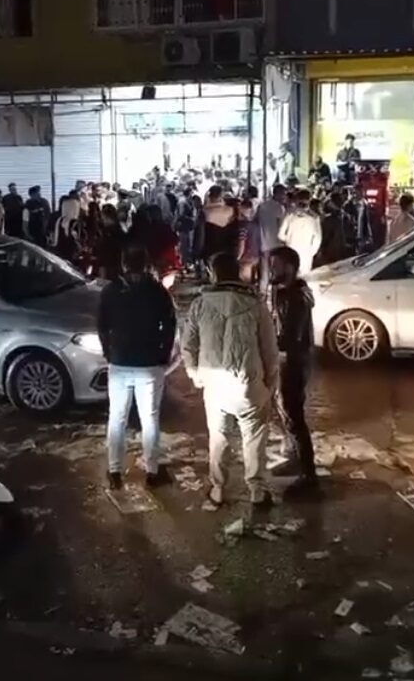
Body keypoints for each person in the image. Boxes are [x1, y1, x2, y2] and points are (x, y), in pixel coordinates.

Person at [182, 252, 279, 507]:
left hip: (215, 386)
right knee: (254, 439)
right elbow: (270, 351)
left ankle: (218, 490)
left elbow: (188, 345)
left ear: (213, 273)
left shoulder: (200, 305)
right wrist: (269, 385)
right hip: (249, 386)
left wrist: (195, 374)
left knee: (219, 437)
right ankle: (257, 491)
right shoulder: (256, 306)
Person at [98, 244, 177, 490]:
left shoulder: (111, 291)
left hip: (119, 363)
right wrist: (163, 353)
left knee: (117, 418)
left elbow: (102, 325)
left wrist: (108, 352)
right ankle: (152, 471)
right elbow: (170, 324)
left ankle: (114, 471)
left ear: (123, 264)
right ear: (146, 265)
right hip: (150, 364)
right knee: (149, 419)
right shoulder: (157, 290)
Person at [270, 246, 318, 496]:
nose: (272, 270)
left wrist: (271, 345)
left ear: (289, 267)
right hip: (291, 359)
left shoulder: (295, 297)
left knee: (293, 415)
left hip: (293, 361)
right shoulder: (287, 292)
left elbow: (291, 334)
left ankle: (309, 475)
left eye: (276, 265)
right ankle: (297, 459)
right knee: (286, 411)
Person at [278, 188, 322, 276]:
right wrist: (311, 252)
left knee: (290, 277)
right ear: (309, 201)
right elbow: (317, 240)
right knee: (304, 278)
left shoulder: (289, 216)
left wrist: (289, 239)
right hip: (306, 253)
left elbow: (280, 235)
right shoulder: (314, 218)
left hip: (291, 251)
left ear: (297, 200)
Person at [257, 184, 287, 295]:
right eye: (283, 194)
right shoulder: (280, 208)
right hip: (276, 244)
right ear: (278, 194)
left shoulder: (262, 206)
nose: (284, 197)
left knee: (264, 273)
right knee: (276, 273)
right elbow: (281, 227)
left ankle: (262, 294)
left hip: (263, 243)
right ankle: (274, 297)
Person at [316, 191, 352, 265]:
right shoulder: (344, 216)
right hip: (342, 250)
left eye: (330, 201)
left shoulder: (330, 219)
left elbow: (325, 237)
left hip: (331, 252)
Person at [203, 185, 237, 260]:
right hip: (227, 247)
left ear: (210, 196)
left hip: (209, 247)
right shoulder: (230, 210)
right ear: (221, 195)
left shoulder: (204, 212)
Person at [95, 203, 125, 281]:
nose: (102, 220)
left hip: (109, 270)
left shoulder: (108, 234)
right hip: (118, 269)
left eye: (103, 217)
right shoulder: (120, 232)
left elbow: (104, 255)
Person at [236, 198, 261, 284]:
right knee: (254, 281)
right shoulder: (257, 224)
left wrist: (238, 257)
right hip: (256, 256)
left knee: (245, 282)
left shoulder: (243, 226)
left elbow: (242, 243)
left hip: (246, 257)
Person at [343, 186, 373, 254]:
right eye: (358, 192)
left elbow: (367, 221)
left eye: (362, 192)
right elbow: (345, 222)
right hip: (352, 235)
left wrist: (369, 235)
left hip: (361, 235)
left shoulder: (364, 204)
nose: (361, 194)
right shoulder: (348, 205)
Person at [53, 197, 82, 264]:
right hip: (71, 251)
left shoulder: (59, 220)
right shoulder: (75, 222)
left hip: (60, 249)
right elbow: (78, 238)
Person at [176, 186, 196, 269]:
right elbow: (181, 215)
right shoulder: (183, 202)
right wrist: (192, 219)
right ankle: (184, 264)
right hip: (183, 227)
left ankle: (186, 263)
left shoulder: (186, 201)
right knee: (184, 246)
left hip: (187, 227)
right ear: (189, 193)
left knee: (187, 246)